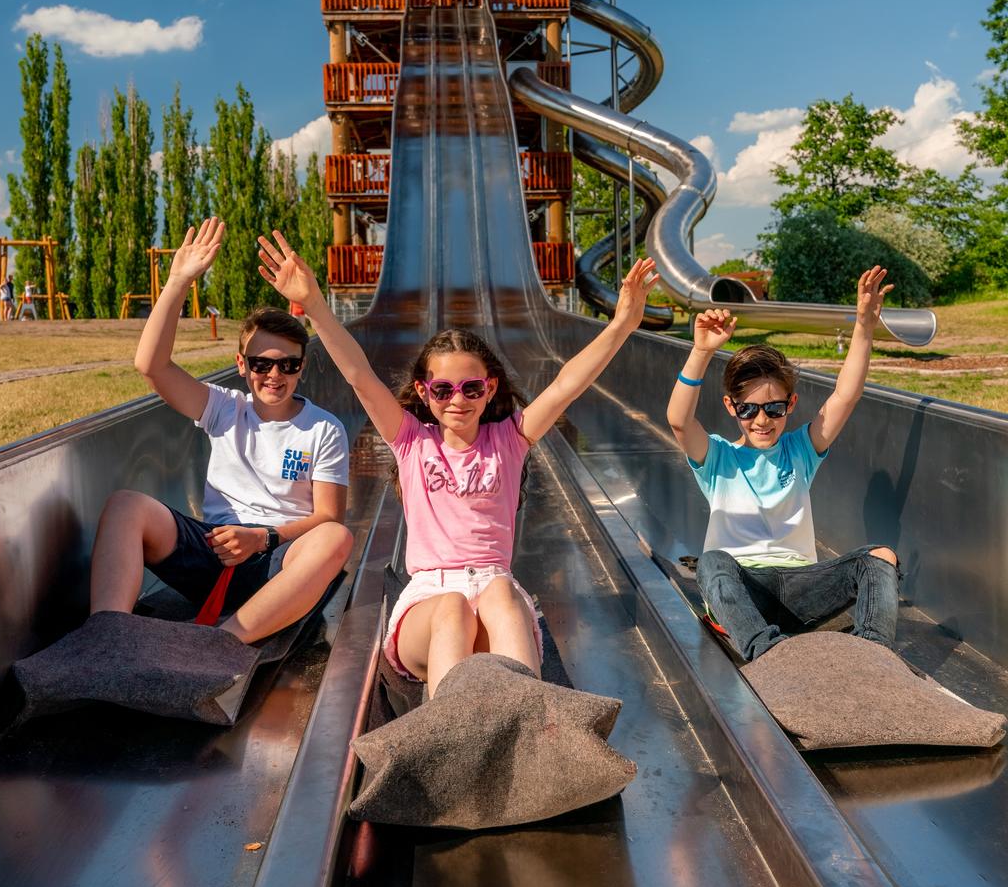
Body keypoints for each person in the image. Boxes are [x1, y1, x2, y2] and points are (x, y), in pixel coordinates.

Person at [257, 229, 661, 694]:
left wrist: (622, 325)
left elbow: (568, 383)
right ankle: (448, 734)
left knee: (504, 593)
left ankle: (526, 721)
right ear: (425, 393)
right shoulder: (411, 440)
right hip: (430, 603)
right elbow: (358, 375)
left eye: (471, 388)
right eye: (443, 390)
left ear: (489, 389)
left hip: (493, 595)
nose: (458, 400)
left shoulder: (509, 440)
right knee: (452, 605)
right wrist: (316, 307)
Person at [90, 218, 353, 643]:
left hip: (279, 563)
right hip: (215, 554)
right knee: (126, 505)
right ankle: (106, 633)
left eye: (287, 364)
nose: (274, 374)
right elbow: (151, 366)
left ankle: (224, 642)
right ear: (241, 365)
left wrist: (262, 538)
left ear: (301, 367)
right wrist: (178, 282)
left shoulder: (323, 428)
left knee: (336, 538)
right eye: (261, 364)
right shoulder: (224, 408)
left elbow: (327, 516)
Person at [666, 266, 900, 662]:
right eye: (749, 410)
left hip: (801, 589)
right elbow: (678, 420)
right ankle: (767, 655)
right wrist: (702, 351)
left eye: (774, 409)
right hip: (741, 589)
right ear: (731, 407)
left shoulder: (800, 450)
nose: (762, 420)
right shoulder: (718, 456)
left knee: (880, 558)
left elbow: (845, 396)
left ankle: (872, 660)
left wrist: (863, 326)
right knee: (711, 563)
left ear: (790, 405)